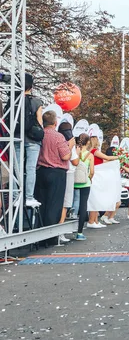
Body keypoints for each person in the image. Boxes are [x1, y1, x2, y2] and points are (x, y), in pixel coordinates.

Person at [34, 110, 74, 226]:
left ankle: (39, 230)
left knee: (41, 203)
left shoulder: (39, 135)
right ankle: (50, 234)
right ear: (55, 122)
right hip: (57, 172)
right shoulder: (58, 137)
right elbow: (66, 155)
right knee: (54, 204)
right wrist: (70, 146)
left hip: (41, 171)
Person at [13, 73, 43, 207]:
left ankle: (15, 197)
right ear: (31, 85)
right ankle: (29, 197)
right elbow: (40, 123)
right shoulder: (37, 101)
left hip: (17, 136)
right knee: (30, 168)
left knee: (17, 169)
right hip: (32, 140)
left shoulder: (14, 99)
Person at [57, 120, 80, 243]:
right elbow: (75, 161)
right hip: (68, 172)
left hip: (55, 172)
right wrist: (73, 148)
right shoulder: (69, 143)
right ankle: (60, 231)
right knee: (65, 203)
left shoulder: (56, 139)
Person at [74, 133, 94, 239]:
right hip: (85, 183)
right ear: (88, 142)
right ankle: (79, 233)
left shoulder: (75, 152)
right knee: (83, 206)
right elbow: (92, 171)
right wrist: (90, 178)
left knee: (71, 204)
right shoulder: (90, 155)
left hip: (73, 182)